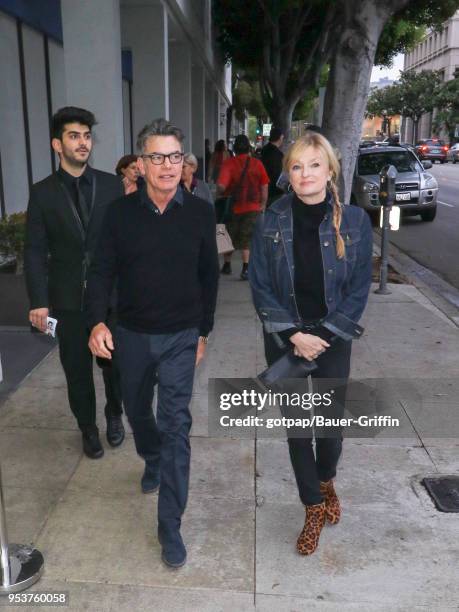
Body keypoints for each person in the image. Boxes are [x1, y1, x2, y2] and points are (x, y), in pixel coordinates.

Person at [86, 118, 219, 569]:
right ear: (140, 164)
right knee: (138, 411)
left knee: (176, 424)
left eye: (175, 156)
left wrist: (204, 331)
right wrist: (96, 323)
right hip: (132, 335)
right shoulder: (117, 215)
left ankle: (170, 527)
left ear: (184, 163)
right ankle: (150, 455)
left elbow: (208, 276)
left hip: (182, 335)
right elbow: (101, 271)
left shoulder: (200, 212)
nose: (167, 165)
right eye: (157, 157)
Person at [249, 131, 372, 556]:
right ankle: (313, 506)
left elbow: (358, 291)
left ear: (330, 170)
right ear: (289, 173)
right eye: (297, 166)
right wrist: (293, 336)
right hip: (287, 338)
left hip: (332, 338)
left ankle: (326, 478)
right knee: (300, 430)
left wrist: (322, 336)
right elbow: (261, 287)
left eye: (314, 165)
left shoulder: (355, 221)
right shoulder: (269, 221)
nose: (305, 174)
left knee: (330, 427)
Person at [24, 106, 125, 459]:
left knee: (115, 367)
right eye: (73, 136)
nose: (83, 143)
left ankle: (115, 413)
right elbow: (34, 251)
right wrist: (39, 300)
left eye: (86, 135)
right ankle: (88, 427)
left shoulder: (112, 186)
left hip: (110, 297)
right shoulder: (42, 193)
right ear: (57, 144)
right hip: (66, 300)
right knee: (77, 371)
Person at [217, 134, 269, 280]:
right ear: (249, 148)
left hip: (232, 207)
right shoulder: (257, 164)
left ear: (235, 148)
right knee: (247, 238)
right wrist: (263, 204)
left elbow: (221, 186)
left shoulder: (229, 164)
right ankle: (245, 268)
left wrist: (221, 192)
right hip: (253, 207)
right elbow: (264, 186)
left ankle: (227, 265)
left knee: (226, 235)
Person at [261, 126, 284, 206]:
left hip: (263, 187)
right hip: (274, 191)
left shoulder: (264, 150)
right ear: (280, 137)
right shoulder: (278, 154)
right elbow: (277, 173)